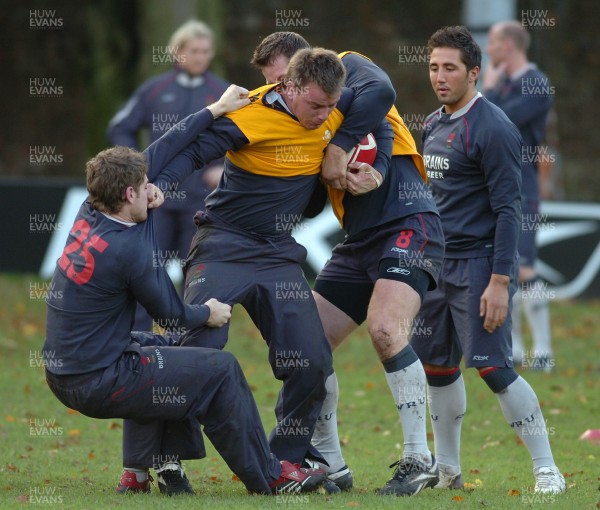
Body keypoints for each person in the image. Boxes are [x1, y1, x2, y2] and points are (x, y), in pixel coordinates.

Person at [43, 85, 326, 497]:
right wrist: (209, 312)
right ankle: (271, 478)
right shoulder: (129, 251)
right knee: (220, 369)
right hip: (96, 379)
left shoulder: (93, 209)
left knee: (158, 355)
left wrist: (216, 108)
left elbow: (166, 144)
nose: (155, 189)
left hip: (69, 367)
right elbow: (173, 313)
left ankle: (136, 473)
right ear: (128, 194)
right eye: (146, 186)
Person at [150, 48, 392, 475]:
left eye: (331, 106)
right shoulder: (250, 114)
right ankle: (167, 458)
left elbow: (381, 108)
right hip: (223, 245)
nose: (323, 115)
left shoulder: (337, 108)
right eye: (315, 105)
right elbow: (191, 154)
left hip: (277, 252)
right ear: (289, 87)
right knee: (199, 350)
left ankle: (285, 461)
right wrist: (162, 185)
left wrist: (369, 162)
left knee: (312, 361)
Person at [250, 32, 445, 497]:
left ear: (301, 65)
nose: (280, 92)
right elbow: (315, 204)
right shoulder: (298, 118)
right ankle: (331, 461)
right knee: (307, 341)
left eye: (282, 80)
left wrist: (339, 148)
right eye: (273, 85)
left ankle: (419, 457)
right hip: (358, 239)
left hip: (408, 220)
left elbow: (382, 94)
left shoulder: (347, 67)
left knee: (384, 328)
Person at [410, 25, 565, 494]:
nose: (440, 76)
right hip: (436, 267)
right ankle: (448, 470)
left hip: (480, 267)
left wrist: (500, 281)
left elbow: (509, 210)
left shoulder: (494, 126)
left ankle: (547, 469)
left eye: (450, 68)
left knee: (494, 368)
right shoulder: (433, 124)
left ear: (474, 73)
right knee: (437, 368)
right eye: (434, 67)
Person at [107, 19, 229, 331]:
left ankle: (188, 338)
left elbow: (239, 139)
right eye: (194, 50)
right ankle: (137, 338)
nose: (201, 57)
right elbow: (120, 127)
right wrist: (134, 169)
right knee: (148, 269)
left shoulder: (221, 93)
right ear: (177, 53)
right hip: (153, 198)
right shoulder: (155, 89)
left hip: (200, 200)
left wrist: (221, 169)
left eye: (206, 51)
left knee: (196, 272)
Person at [483, 20, 555, 370]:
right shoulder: (507, 83)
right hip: (494, 186)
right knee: (503, 266)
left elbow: (501, 121)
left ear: (508, 45)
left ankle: (543, 351)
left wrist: (491, 91)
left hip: (522, 186)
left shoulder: (536, 84)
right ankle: (513, 351)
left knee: (525, 267)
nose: (489, 49)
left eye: (493, 42)